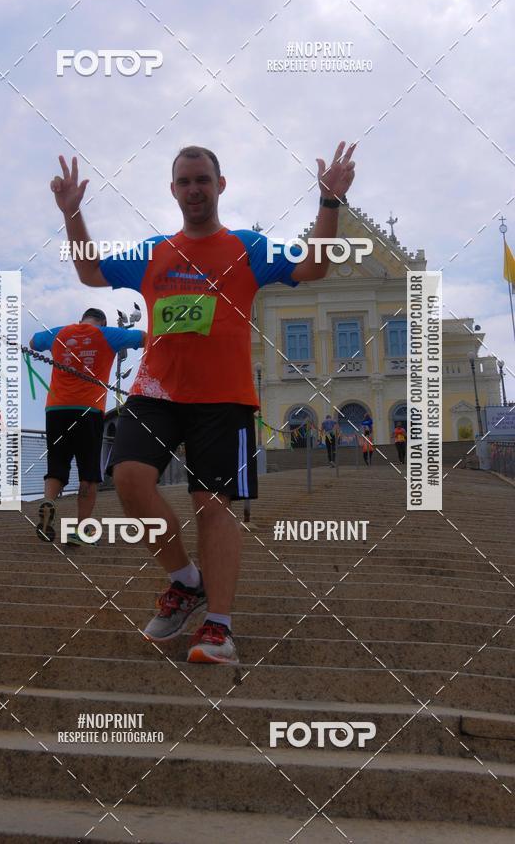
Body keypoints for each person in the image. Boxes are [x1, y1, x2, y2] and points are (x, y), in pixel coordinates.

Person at [50, 142, 356, 663]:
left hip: (225, 398)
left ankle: (218, 627)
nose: (195, 189)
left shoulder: (247, 246)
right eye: (185, 181)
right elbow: (90, 274)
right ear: (174, 191)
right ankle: (185, 580)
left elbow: (315, 270)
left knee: (212, 507)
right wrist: (72, 214)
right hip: (156, 392)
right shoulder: (154, 251)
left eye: (203, 180)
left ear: (220, 185)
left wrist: (329, 204)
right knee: (127, 478)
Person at [29, 308, 145, 545]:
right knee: (89, 473)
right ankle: (81, 530)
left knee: (57, 463)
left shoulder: (59, 333)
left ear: (81, 319)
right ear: (101, 322)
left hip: (56, 409)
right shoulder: (108, 334)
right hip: (88, 411)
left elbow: (33, 342)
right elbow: (146, 338)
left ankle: (49, 502)